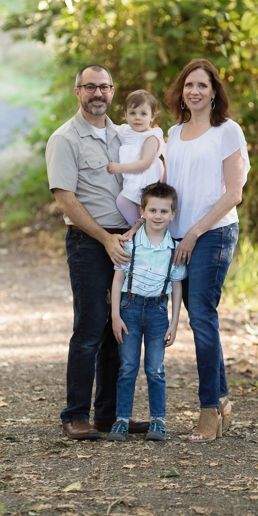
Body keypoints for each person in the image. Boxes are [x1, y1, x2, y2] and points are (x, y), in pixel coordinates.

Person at [46, 64, 149, 440]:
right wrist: (105, 237)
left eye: (105, 87)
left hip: (127, 241)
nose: (98, 94)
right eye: (90, 87)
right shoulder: (65, 139)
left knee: (119, 329)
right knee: (90, 327)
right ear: (78, 92)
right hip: (89, 242)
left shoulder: (125, 136)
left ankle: (108, 416)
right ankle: (75, 415)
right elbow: (65, 199)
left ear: (112, 91)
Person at [163, 58, 249, 442]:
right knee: (200, 317)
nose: (194, 91)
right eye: (188, 85)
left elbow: (234, 193)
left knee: (200, 314)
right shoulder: (173, 132)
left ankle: (208, 412)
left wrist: (195, 232)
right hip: (178, 237)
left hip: (212, 233)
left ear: (215, 91)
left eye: (202, 85)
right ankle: (223, 402)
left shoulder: (227, 131)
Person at [107, 182, 187, 442]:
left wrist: (174, 323)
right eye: (153, 210)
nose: (158, 216)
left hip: (158, 312)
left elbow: (176, 287)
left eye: (164, 211)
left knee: (155, 368)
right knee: (128, 366)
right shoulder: (131, 243)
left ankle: (158, 420)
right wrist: (115, 315)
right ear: (142, 211)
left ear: (172, 214)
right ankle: (121, 420)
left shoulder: (174, 249)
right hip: (129, 308)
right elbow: (118, 279)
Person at [108, 90, 166, 227]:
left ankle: (141, 229)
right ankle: (140, 229)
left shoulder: (150, 137)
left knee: (125, 201)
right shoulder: (126, 131)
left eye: (143, 114)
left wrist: (120, 168)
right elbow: (109, 129)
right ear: (125, 115)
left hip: (145, 180)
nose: (137, 118)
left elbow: (145, 163)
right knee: (129, 203)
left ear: (152, 116)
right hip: (133, 178)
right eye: (133, 113)